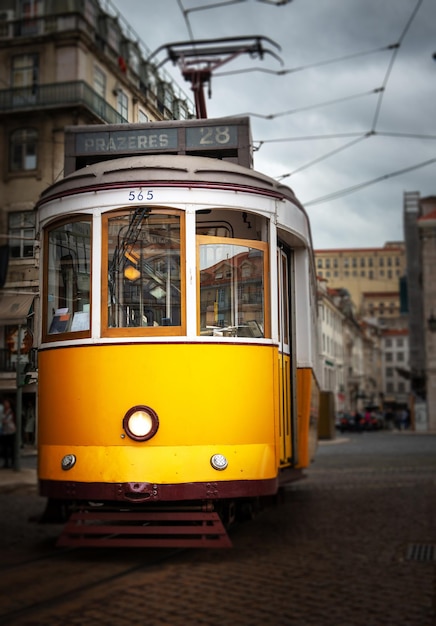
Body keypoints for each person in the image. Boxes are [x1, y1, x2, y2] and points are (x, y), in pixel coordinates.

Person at [1, 398, 16, 469]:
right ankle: (6, 462)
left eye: (7, 403)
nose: (5, 405)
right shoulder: (2, 412)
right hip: (4, 431)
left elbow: (14, 420)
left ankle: (13, 462)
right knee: (5, 448)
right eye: (5, 403)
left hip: (11, 431)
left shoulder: (12, 412)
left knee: (12, 448)